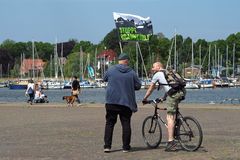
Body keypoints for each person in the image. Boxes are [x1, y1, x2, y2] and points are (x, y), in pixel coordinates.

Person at [103, 53, 141, 153]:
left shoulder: (111, 69)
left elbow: (104, 78)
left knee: (110, 123)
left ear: (119, 60)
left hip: (111, 101)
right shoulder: (132, 72)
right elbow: (138, 86)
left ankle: (107, 146)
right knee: (126, 123)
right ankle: (126, 147)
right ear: (126, 61)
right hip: (126, 102)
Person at [142, 62, 185, 152]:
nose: (152, 69)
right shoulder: (168, 72)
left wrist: (145, 98)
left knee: (170, 117)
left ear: (158, 67)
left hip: (173, 95)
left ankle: (170, 143)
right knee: (174, 112)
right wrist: (163, 98)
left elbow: (151, 88)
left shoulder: (157, 74)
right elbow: (169, 87)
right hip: (182, 92)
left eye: (153, 67)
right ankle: (175, 131)